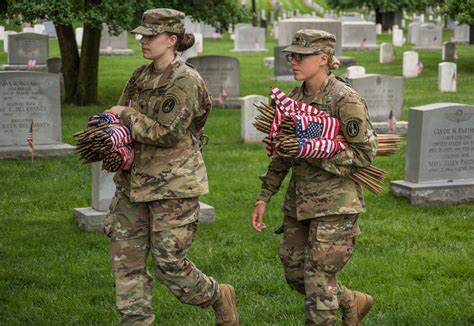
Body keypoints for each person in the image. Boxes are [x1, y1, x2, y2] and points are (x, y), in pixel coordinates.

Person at [103, 8, 239, 326]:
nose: (143, 40)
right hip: (132, 183)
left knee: (169, 264)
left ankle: (217, 295)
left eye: (151, 35)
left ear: (171, 39)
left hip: (172, 185)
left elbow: (169, 132)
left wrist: (126, 116)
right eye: (142, 35)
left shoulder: (185, 80)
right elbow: (120, 115)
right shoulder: (140, 76)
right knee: (126, 262)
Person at [251, 29, 378, 326]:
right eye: (291, 55)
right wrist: (264, 195)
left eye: (301, 56)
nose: (293, 61)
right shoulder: (291, 100)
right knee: (296, 274)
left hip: (337, 203)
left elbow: (364, 154)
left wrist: (312, 149)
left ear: (323, 59)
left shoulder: (344, 99)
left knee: (318, 282)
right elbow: (282, 153)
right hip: (300, 203)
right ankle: (352, 301)